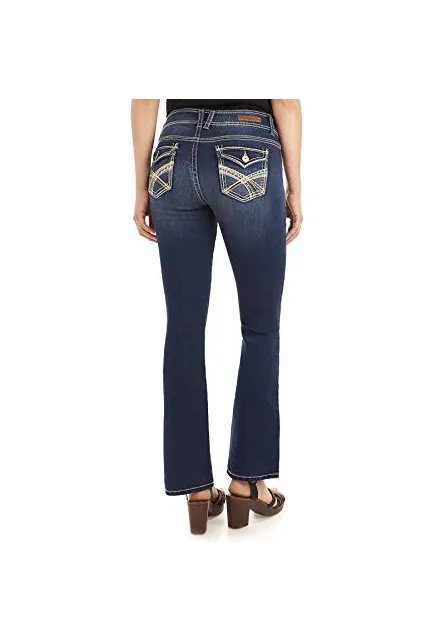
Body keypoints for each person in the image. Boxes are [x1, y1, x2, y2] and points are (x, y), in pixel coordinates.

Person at [131, 97, 302, 534]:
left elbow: (145, 96)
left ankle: (196, 490)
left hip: (172, 153)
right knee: (260, 328)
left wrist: (140, 186)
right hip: (248, 147)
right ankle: (248, 480)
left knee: (183, 330)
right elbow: (285, 99)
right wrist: (295, 188)